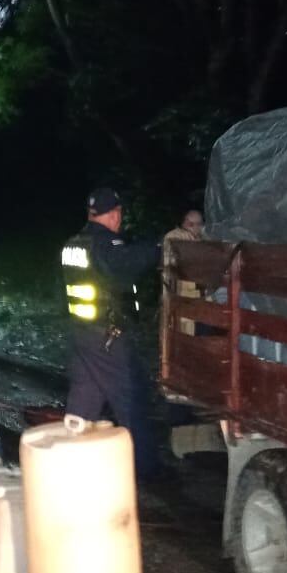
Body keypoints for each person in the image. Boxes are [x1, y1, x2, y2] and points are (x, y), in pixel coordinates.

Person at [61, 187, 163, 480]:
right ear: (115, 214)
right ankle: (146, 470)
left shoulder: (73, 243)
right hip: (107, 336)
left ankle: (71, 454)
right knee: (131, 398)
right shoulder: (105, 244)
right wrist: (157, 247)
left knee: (85, 397)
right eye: (119, 215)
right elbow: (126, 265)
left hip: (83, 331)